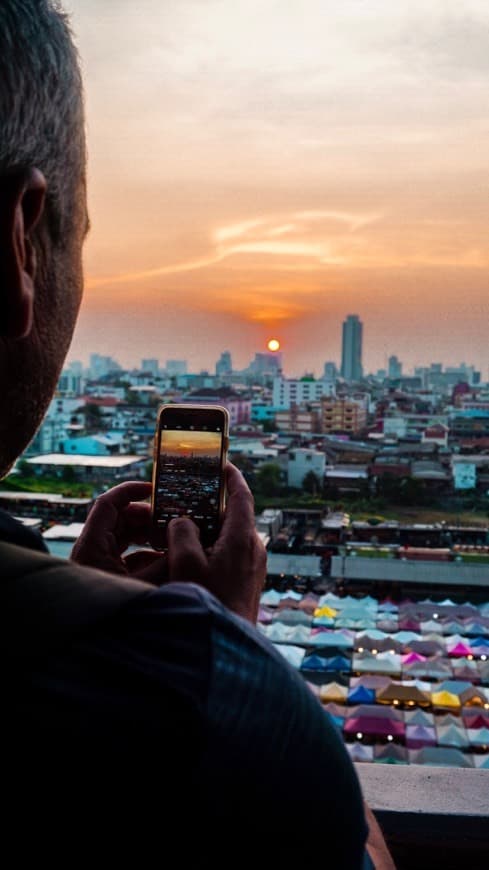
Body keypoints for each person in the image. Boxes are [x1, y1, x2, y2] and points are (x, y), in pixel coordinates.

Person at [0, 2, 394, 866]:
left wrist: (90, 616)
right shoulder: (190, 692)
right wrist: (222, 649)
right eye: (80, 237)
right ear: (19, 246)